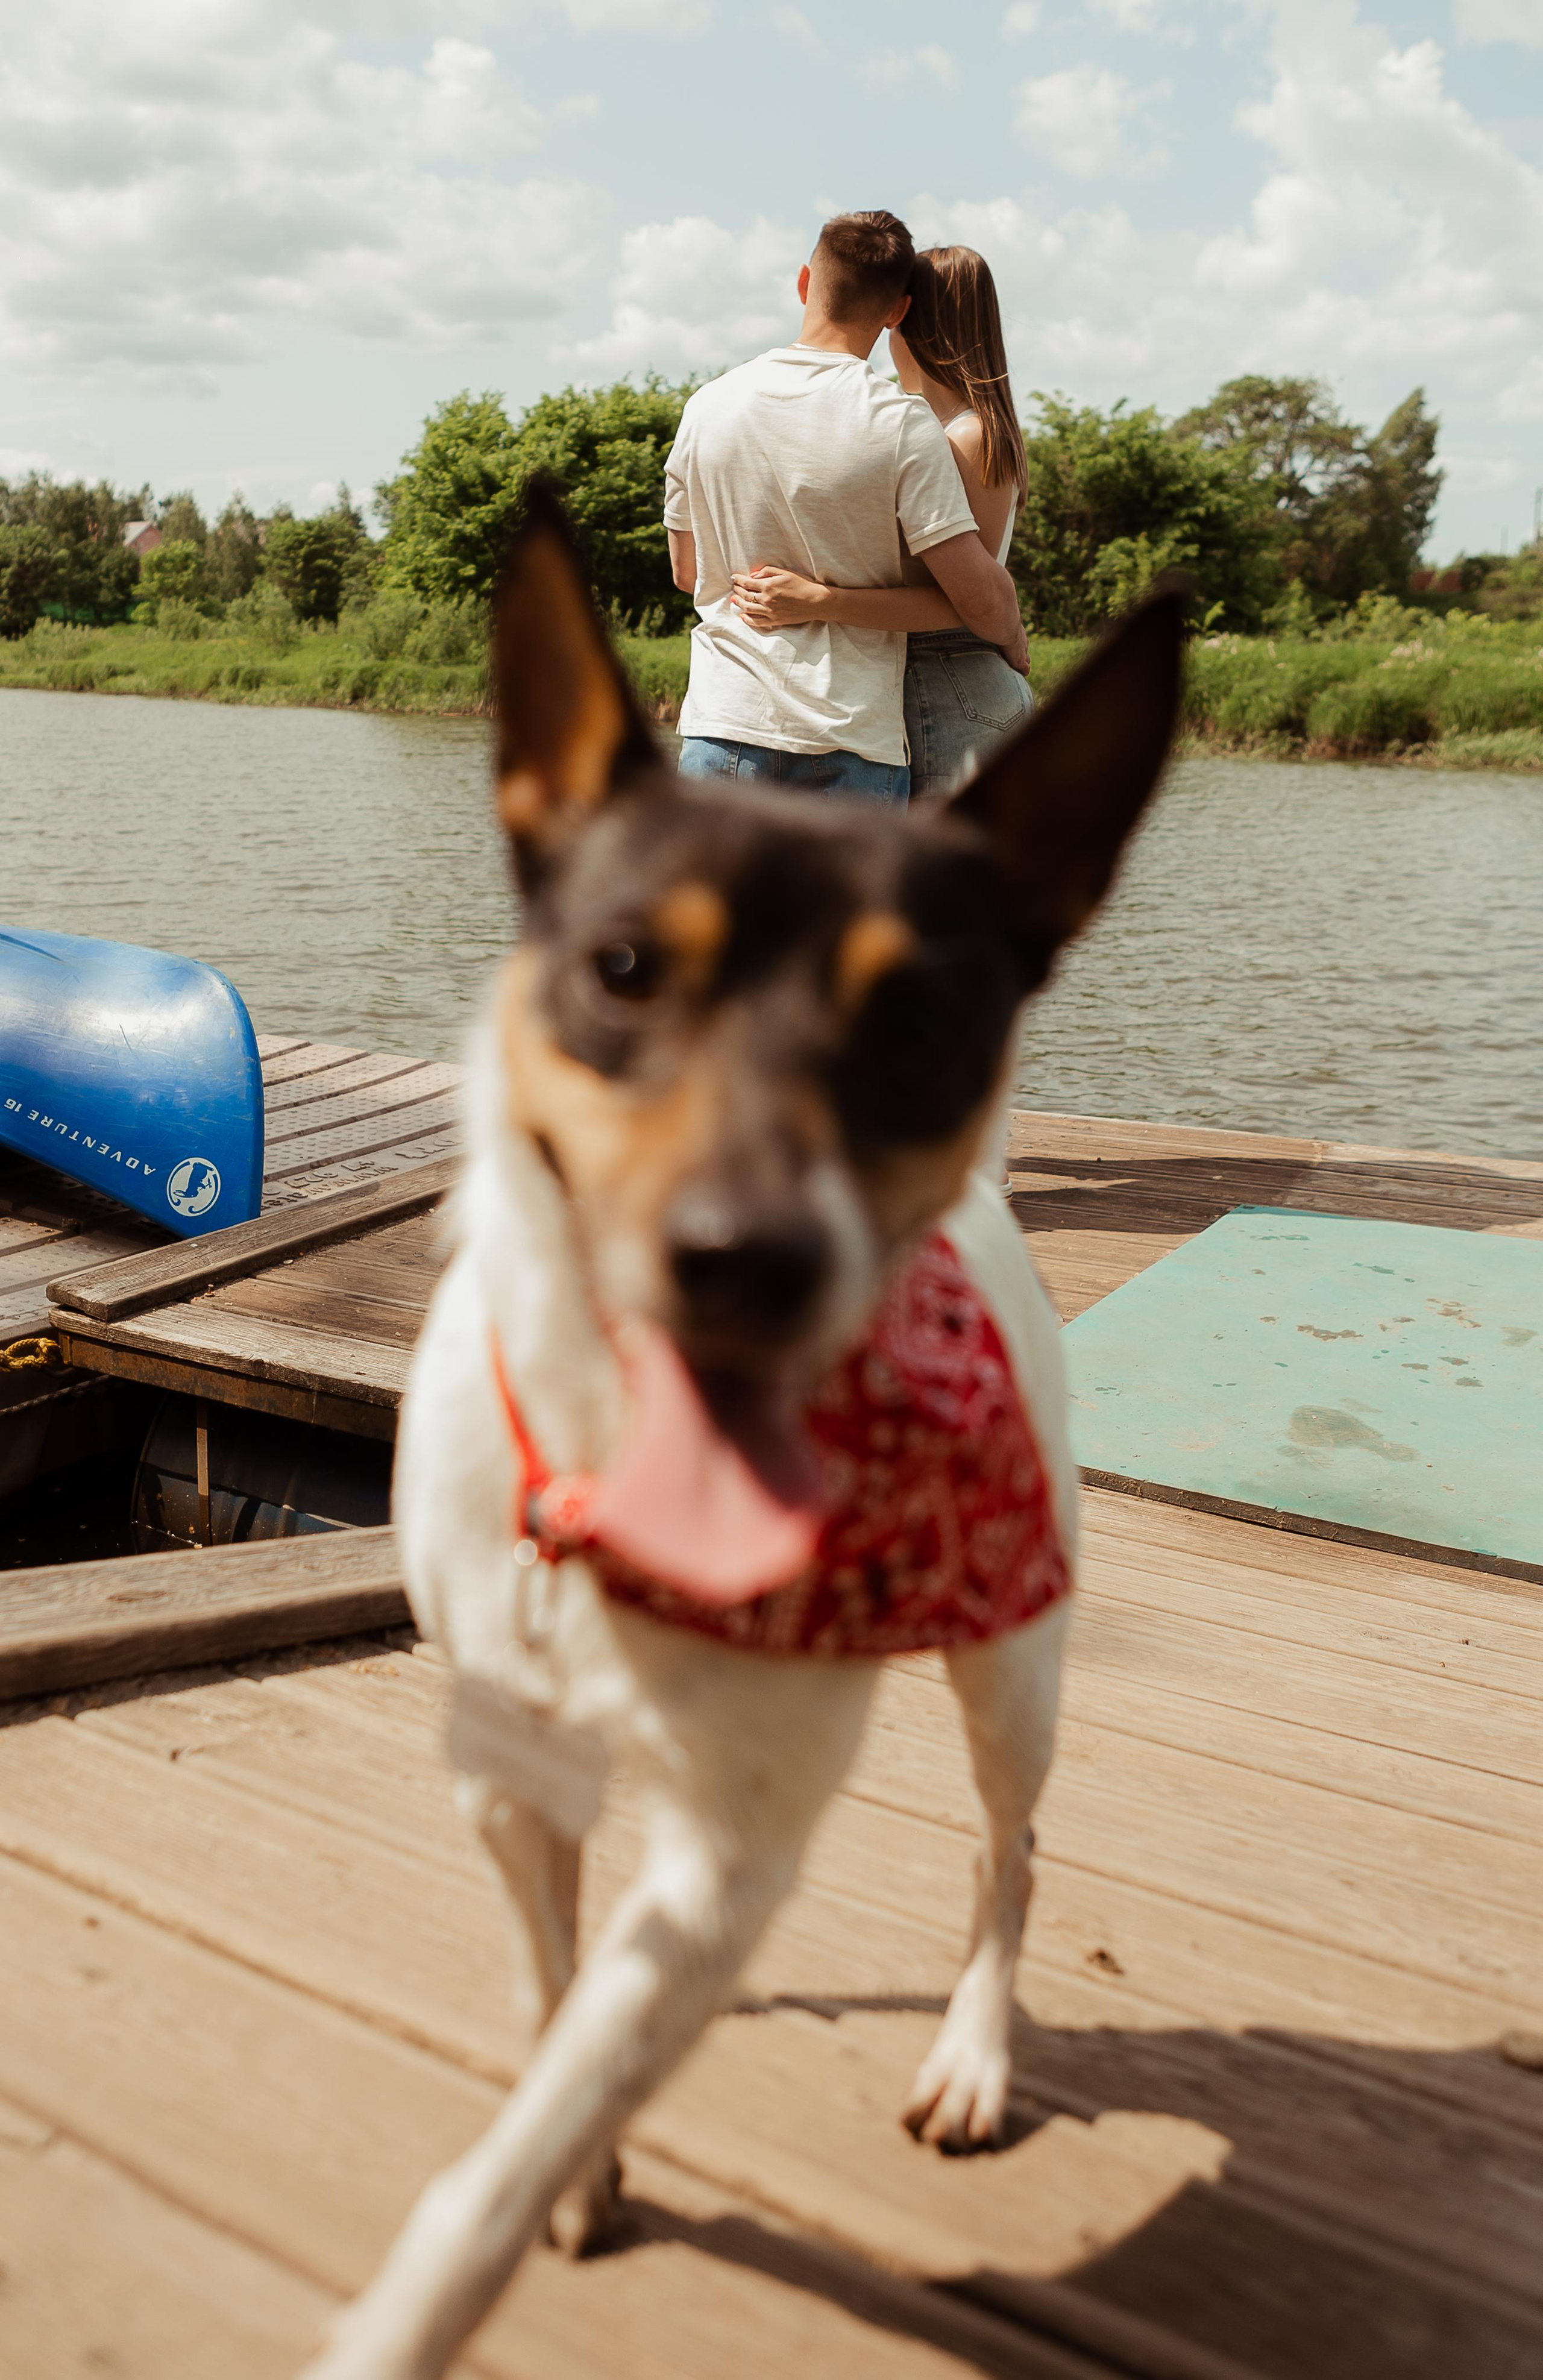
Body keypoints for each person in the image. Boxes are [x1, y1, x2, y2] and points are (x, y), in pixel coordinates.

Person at [664, 212, 1026, 807]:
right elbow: (977, 596)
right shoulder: (899, 422)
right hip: (848, 735)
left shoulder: (706, 406)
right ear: (896, 312)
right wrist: (1010, 627)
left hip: (723, 718)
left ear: (804, 282)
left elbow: (686, 572)